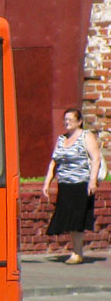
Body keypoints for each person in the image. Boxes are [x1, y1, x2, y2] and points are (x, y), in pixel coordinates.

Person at [42, 108, 100, 264]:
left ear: (79, 121)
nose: (66, 122)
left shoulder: (86, 136)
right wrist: (47, 181)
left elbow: (96, 158)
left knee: (77, 219)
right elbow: (54, 161)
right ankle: (75, 250)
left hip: (80, 184)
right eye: (65, 119)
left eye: (70, 119)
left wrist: (92, 180)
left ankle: (77, 252)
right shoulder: (62, 139)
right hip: (65, 184)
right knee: (68, 218)